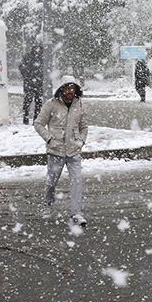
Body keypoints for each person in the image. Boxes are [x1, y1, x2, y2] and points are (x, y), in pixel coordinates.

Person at [34, 75, 88, 226]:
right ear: (61, 89)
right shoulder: (51, 105)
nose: (69, 91)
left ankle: (76, 213)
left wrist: (81, 141)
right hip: (56, 151)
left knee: (77, 181)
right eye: (66, 88)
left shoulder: (79, 105)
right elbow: (38, 124)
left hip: (73, 151)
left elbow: (84, 126)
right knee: (52, 181)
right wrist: (50, 139)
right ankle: (47, 204)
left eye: (72, 88)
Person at [19, 44, 43, 124]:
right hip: (29, 82)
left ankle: (36, 119)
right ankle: (26, 118)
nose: (38, 51)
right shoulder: (28, 57)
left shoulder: (41, 58)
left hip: (38, 83)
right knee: (27, 101)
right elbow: (21, 67)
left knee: (38, 101)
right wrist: (27, 76)